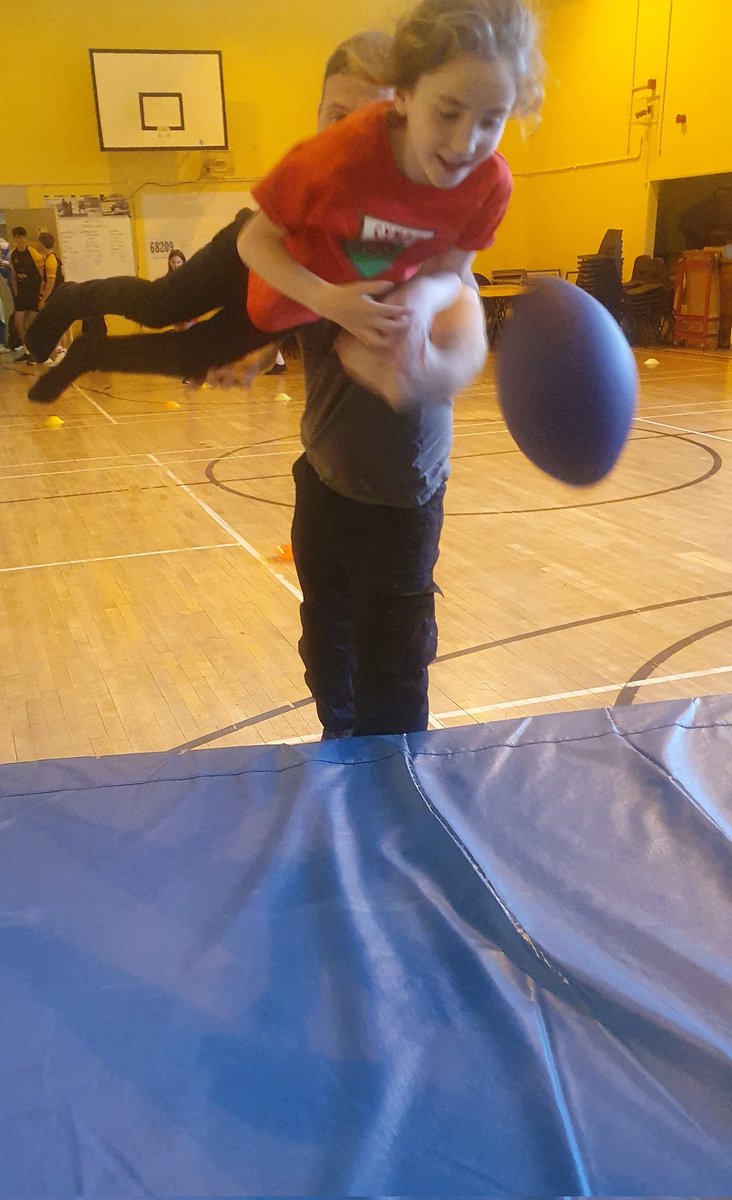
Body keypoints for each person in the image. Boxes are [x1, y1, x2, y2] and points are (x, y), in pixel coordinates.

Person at [28, 0, 541, 402]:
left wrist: (416, 303)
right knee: (160, 305)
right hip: (265, 246)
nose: (464, 143)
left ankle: (89, 355)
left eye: (491, 120)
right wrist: (322, 304)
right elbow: (260, 242)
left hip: (295, 292)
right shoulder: (335, 156)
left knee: (193, 356)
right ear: (405, 97)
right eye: (449, 113)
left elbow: (445, 272)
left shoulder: (477, 181)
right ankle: (76, 297)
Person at [9, 226, 43, 361]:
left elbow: (42, 274)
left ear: (25, 237)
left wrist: (41, 293)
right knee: (19, 322)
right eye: (17, 237)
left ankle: (36, 350)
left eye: (22, 237)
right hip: (22, 293)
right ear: (15, 239)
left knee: (31, 324)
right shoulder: (13, 255)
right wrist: (16, 291)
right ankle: (27, 349)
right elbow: (13, 275)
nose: (20, 240)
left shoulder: (32, 253)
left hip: (33, 292)